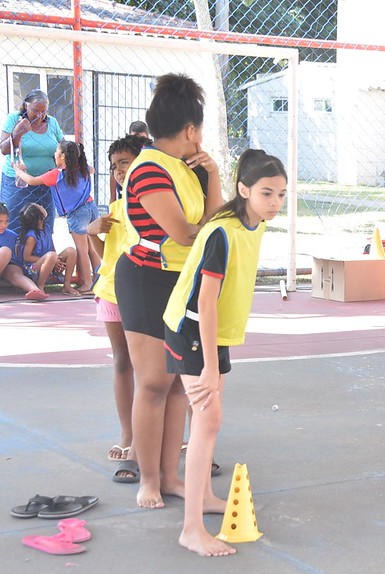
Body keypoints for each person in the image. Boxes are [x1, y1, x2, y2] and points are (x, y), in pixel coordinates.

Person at [163, 150, 287, 557]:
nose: (275, 201)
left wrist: (216, 359)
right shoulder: (222, 232)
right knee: (209, 416)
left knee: (209, 417)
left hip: (215, 334)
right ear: (244, 190)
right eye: (267, 193)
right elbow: (206, 302)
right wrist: (210, 368)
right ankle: (191, 529)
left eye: (281, 194)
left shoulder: (256, 224)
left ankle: (205, 498)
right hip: (193, 328)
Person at [115, 73, 223, 509]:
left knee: (179, 383)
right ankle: (148, 480)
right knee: (155, 383)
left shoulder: (187, 167)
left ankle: (172, 477)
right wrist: (211, 230)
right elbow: (183, 233)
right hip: (145, 278)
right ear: (190, 129)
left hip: (181, 281)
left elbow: (214, 220)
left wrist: (214, 172)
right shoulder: (147, 168)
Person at [87, 134, 151, 473]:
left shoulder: (155, 205)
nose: (118, 171)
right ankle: (128, 434)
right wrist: (92, 232)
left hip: (142, 294)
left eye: (124, 162)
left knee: (153, 368)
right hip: (112, 292)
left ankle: (156, 435)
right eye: (114, 166)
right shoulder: (114, 210)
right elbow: (105, 257)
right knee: (122, 362)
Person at [15, 141, 99, 293]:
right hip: (92, 208)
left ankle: (87, 283)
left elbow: (32, 181)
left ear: (62, 156)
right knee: (92, 249)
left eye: (56, 152)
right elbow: (91, 169)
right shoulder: (83, 169)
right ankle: (99, 281)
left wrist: (18, 170)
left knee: (82, 249)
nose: (54, 154)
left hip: (77, 214)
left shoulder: (56, 175)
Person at [0, 90, 64, 235]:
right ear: (26, 106)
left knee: (45, 225)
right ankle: (12, 257)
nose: (39, 115)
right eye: (35, 110)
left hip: (45, 183)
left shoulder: (52, 122)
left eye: (44, 111)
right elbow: (4, 150)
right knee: (14, 225)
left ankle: (41, 255)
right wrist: (18, 132)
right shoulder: (14, 119)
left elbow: (63, 145)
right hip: (18, 183)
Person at [16, 203, 77, 294]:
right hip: (33, 269)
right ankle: (40, 286)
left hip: (50, 263)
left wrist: (57, 260)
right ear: (39, 218)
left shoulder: (46, 229)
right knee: (51, 255)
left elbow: (52, 249)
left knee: (71, 251)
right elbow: (27, 257)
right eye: (39, 207)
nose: (42, 206)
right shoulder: (31, 236)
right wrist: (51, 259)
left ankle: (67, 285)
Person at [0, 202, 47, 300]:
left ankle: (35, 290)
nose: (3, 225)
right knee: (5, 251)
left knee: (16, 274)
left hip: (9, 266)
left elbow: (19, 256)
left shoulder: (12, 236)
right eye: (0, 221)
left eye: (6, 221)